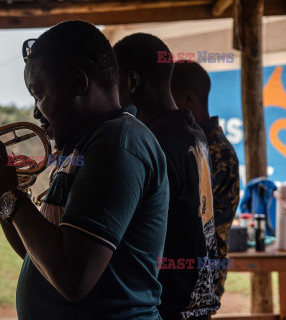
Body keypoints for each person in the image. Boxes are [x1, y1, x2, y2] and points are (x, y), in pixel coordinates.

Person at [0, 20, 169, 319]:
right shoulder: (83, 147)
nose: (35, 111)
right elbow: (39, 255)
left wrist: (9, 197)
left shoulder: (116, 145)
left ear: (77, 83)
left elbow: (74, 277)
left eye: (39, 93)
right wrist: (3, 201)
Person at [114, 34, 220, 320]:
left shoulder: (154, 142)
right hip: (194, 299)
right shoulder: (192, 132)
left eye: (114, 83)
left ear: (131, 82)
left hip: (168, 307)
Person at [171, 60, 240, 301]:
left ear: (188, 100)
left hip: (197, 279)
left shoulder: (210, 151)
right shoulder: (206, 146)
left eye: (168, 100)